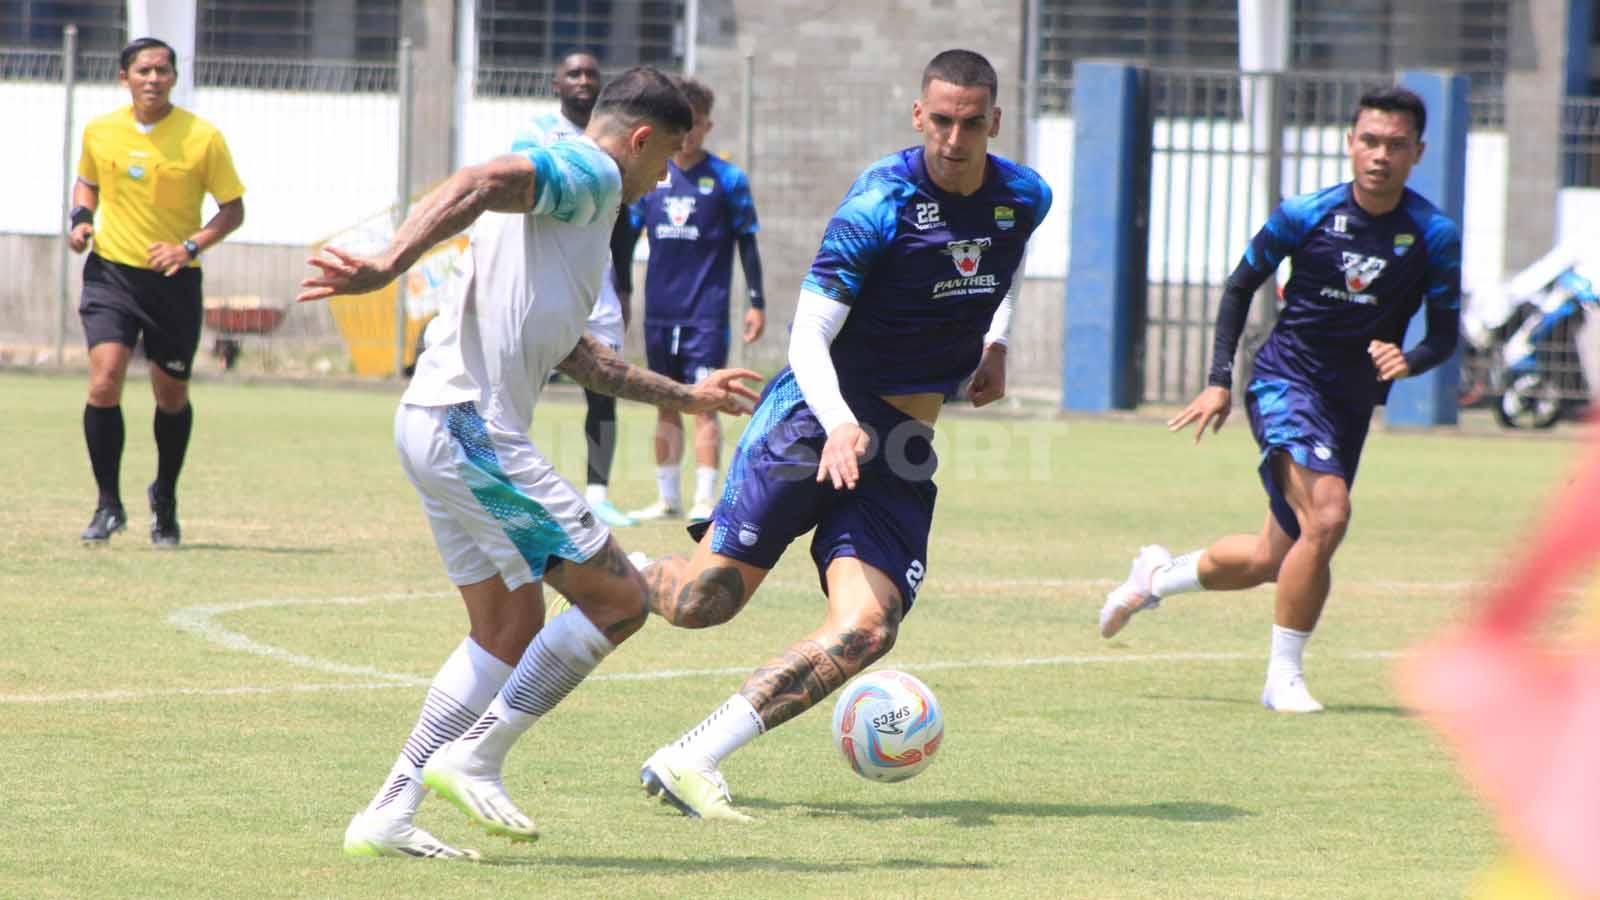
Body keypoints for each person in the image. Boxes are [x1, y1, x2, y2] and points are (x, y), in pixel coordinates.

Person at [295, 67, 761, 860]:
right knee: (619, 600)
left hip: (435, 424)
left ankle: (389, 812)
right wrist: (388, 263)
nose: (664, 179)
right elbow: (484, 179)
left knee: (507, 627)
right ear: (640, 141)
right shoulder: (594, 171)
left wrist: (687, 395)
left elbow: (585, 360)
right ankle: (476, 756)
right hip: (473, 432)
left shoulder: (569, 208)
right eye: (668, 157)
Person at [632, 49, 1051, 821]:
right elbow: (807, 337)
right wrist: (840, 423)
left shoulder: (1025, 195)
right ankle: (611, 569)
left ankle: (691, 756)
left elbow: (1006, 267)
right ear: (918, 116)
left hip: (904, 444)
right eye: (942, 121)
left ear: (994, 121)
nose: (955, 138)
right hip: (814, 417)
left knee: (867, 629)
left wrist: (996, 344)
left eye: (972, 123)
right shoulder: (879, 202)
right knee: (703, 602)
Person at [1098, 86, 1462, 714]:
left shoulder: (1432, 234)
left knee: (1277, 555)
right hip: (1285, 382)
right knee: (1328, 517)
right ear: (1351, 143)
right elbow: (1241, 288)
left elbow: (1446, 332)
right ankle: (1282, 678)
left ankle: (1155, 577)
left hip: (1349, 406)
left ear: (1418, 152)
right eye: (1369, 141)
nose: (1380, 155)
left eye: (1396, 145)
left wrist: (1413, 359)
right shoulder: (1304, 213)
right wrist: (1218, 378)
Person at [71, 36, 245, 546]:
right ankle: (107, 505)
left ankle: (164, 494)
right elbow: (87, 182)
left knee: (170, 396)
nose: (153, 79)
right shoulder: (100, 132)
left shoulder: (202, 137)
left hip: (173, 283)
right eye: (143, 70)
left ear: (173, 77)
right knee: (104, 382)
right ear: (124, 77)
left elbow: (233, 209)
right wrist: (81, 220)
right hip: (112, 274)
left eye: (163, 71)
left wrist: (189, 246)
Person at [623, 77, 767, 524]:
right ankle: (668, 498)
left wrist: (756, 301)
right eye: (680, 123)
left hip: (706, 312)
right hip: (660, 310)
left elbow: (747, 243)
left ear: (707, 124)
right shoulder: (652, 177)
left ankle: (706, 497)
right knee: (665, 398)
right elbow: (625, 239)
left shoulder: (726, 180)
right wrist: (622, 291)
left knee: (705, 400)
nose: (687, 133)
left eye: (695, 123)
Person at [512, 51, 639, 529]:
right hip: (547, 279)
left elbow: (625, 221)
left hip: (600, 288)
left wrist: (624, 287)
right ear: (556, 84)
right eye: (574, 74)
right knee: (523, 380)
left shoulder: (612, 140)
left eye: (591, 73)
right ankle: (516, 480)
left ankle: (598, 494)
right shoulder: (538, 133)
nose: (583, 80)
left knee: (603, 386)